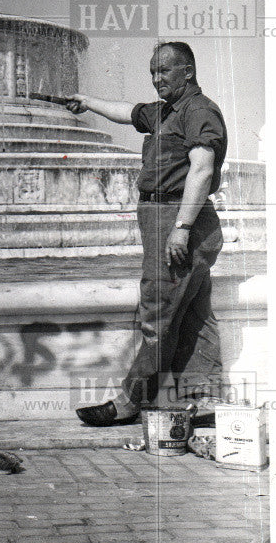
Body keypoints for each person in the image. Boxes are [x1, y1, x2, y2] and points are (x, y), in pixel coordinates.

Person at [67, 41, 227, 426]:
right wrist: (86, 101)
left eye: (164, 71)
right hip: (167, 216)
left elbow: (202, 170)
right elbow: (127, 113)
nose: (156, 79)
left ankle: (130, 401)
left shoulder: (198, 110)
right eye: (152, 72)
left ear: (187, 71)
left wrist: (181, 229)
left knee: (158, 311)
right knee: (193, 311)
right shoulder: (164, 112)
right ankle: (204, 402)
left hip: (178, 215)